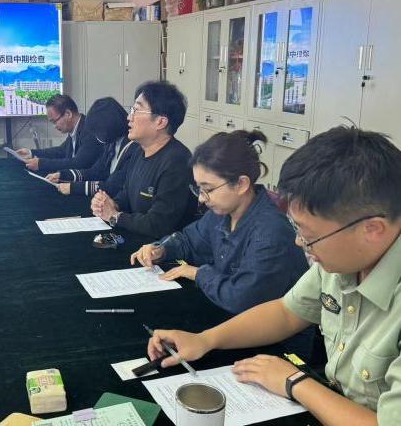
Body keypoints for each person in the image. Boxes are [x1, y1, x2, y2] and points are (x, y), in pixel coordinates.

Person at [147, 127, 401, 425]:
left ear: (372, 230)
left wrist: (295, 382)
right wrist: (206, 339)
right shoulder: (342, 262)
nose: (299, 243)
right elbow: (287, 312)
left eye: (310, 236)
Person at [130, 130, 309, 315]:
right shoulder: (222, 212)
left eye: (208, 189)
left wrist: (198, 273)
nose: (201, 198)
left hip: (268, 329)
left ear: (241, 184)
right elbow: (189, 241)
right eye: (198, 189)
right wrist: (161, 249)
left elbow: (242, 298)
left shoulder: (271, 231)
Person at [91, 81, 196, 238]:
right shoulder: (138, 150)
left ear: (160, 122)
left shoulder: (177, 161)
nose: (129, 117)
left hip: (162, 248)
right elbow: (127, 193)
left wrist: (114, 216)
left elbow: (158, 225)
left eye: (136, 110)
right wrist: (111, 203)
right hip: (138, 239)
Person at [45, 97, 139, 197]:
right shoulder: (111, 143)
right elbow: (95, 172)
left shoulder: (133, 147)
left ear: (110, 125)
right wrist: (63, 175)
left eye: (99, 131)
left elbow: (113, 186)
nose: (98, 137)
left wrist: (73, 187)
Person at [15, 94, 102, 173]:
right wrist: (31, 153)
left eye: (54, 121)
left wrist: (41, 164)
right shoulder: (76, 128)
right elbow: (61, 151)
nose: (55, 126)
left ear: (68, 114)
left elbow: (78, 163)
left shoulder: (89, 130)